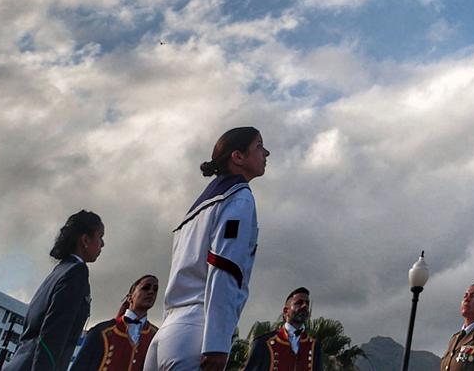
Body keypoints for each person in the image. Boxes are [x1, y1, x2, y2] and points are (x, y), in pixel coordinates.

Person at [150, 127, 268, 371]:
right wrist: (216, 342)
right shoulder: (239, 198)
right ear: (238, 157)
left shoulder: (196, 209)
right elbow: (224, 267)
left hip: (167, 333)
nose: (266, 152)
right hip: (198, 332)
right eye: (259, 146)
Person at [0, 212, 102, 371]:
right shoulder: (77, 272)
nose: (102, 244)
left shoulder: (60, 270)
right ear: (85, 240)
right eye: (100, 236)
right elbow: (53, 334)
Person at [69, 275, 159, 371]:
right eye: (145, 288)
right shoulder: (102, 331)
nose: (151, 292)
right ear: (130, 298)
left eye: (155, 289)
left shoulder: (156, 336)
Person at [240, 289, 313, 371]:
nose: (304, 306)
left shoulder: (314, 346)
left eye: (307, 303)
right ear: (286, 311)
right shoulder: (263, 343)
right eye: (299, 303)